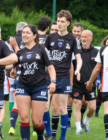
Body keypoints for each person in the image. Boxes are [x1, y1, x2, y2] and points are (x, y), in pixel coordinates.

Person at [9, 24, 56, 140]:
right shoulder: (20, 52)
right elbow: (10, 64)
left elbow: (50, 67)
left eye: (27, 33)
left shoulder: (42, 49)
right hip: (23, 86)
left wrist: (53, 82)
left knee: (36, 122)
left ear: (35, 35)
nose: (24, 35)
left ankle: (41, 135)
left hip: (39, 87)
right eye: (23, 32)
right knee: (24, 118)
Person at [44, 10, 82, 140]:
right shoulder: (50, 37)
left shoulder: (72, 39)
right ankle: (49, 134)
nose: (59, 24)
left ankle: (62, 138)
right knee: (45, 106)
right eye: (58, 21)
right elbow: (43, 56)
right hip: (49, 77)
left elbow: (79, 58)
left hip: (64, 77)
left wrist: (77, 69)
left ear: (68, 23)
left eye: (62, 22)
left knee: (62, 108)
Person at [71, 30, 98, 134]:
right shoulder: (76, 51)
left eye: (86, 37)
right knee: (77, 104)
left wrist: (95, 81)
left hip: (90, 84)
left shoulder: (96, 52)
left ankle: (85, 122)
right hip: (77, 83)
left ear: (91, 38)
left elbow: (98, 68)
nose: (83, 39)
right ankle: (78, 128)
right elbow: (71, 66)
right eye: (82, 37)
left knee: (92, 108)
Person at [7, 22, 27, 136]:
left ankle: (12, 125)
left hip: (13, 73)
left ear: (16, 30)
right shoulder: (29, 42)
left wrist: (12, 68)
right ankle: (34, 130)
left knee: (13, 99)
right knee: (30, 103)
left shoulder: (11, 40)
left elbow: (8, 56)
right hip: (27, 75)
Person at [68, 22, 85, 130]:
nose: (76, 33)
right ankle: (68, 121)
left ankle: (81, 119)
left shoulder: (85, 43)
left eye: (78, 31)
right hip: (71, 74)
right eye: (74, 31)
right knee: (70, 99)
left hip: (83, 75)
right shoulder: (69, 42)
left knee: (84, 101)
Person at [94, 35, 108, 118]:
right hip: (101, 75)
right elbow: (97, 67)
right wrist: (100, 81)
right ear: (104, 43)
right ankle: (96, 112)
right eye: (107, 43)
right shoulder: (101, 51)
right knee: (100, 95)